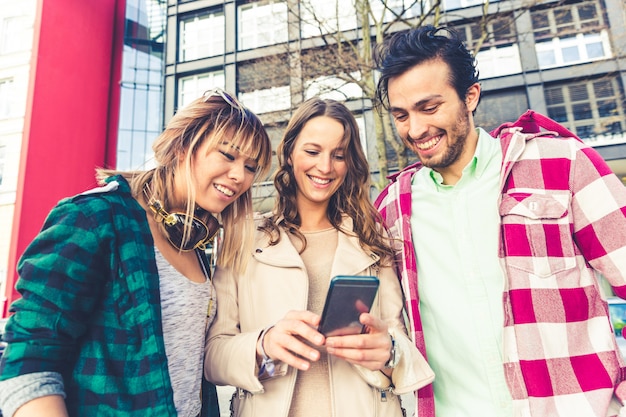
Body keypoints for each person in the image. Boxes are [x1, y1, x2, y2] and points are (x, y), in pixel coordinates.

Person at [373, 25, 626, 417]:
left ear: (470, 96)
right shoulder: (390, 209)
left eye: (430, 107)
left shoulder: (562, 163)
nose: (416, 130)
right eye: (401, 115)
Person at [0, 88, 273, 417]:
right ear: (184, 146)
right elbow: (29, 360)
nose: (239, 176)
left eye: (251, 167)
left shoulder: (196, 239)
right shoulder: (96, 217)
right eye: (228, 156)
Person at [204, 97, 434, 417]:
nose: (325, 167)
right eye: (312, 152)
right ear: (289, 153)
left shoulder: (372, 240)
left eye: (338, 155)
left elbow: (401, 344)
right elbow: (213, 356)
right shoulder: (244, 238)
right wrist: (264, 345)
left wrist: (389, 353)